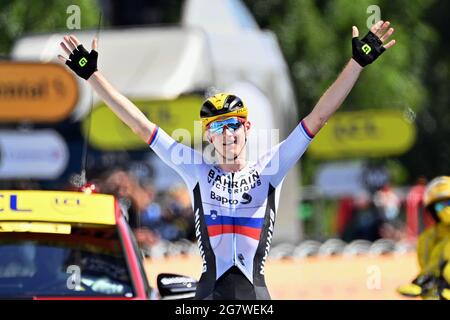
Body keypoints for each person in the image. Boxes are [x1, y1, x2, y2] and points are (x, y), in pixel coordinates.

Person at [58, 20, 396, 300]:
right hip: (208, 297)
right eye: (216, 128)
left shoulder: (270, 166)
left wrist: (356, 64)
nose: (227, 134)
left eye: (233, 124)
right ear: (208, 137)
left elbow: (318, 117)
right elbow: (140, 125)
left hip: (255, 298)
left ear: (246, 128)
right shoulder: (196, 169)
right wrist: (93, 78)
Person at [397, 176, 450, 299]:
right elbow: (429, 267)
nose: (446, 209)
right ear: (432, 211)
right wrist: (421, 282)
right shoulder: (428, 238)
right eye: (440, 206)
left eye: (449, 202)